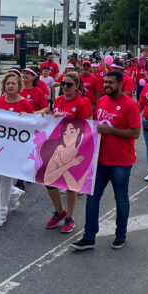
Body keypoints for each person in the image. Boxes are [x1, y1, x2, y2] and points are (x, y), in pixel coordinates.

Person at [70, 70, 141, 251]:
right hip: (99, 160)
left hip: (121, 162)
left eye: (111, 83)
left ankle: (120, 235)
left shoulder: (130, 105)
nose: (107, 85)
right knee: (92, 198)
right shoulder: (101, 101)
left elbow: (135, 133)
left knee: (121, 199)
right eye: (105, 82)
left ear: (120, 84)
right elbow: (95, 128)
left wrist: (111, 131)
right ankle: (89, 237)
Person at [42, 71, 92, 233]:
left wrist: (68, 120)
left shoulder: (82, 102)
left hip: (75, 147)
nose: (64, 87)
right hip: (58, 146)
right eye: (63, 84)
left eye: (69, 84)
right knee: (48, 180)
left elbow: (87, 127)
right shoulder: (58, 100)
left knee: (71, 185)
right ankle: (59, 211)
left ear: (76, 86)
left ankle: (70, 217)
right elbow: (52, 121)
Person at [0, 72, 33, 228]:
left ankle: (1, 212)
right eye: (7, 83)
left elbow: (32, 128)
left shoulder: (25, 104)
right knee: (0, 179)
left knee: (4, 181)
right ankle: (15, 193)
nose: (10, 86)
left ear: (19, 86)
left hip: (15, 149)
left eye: (13, 83)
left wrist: (26, 119)